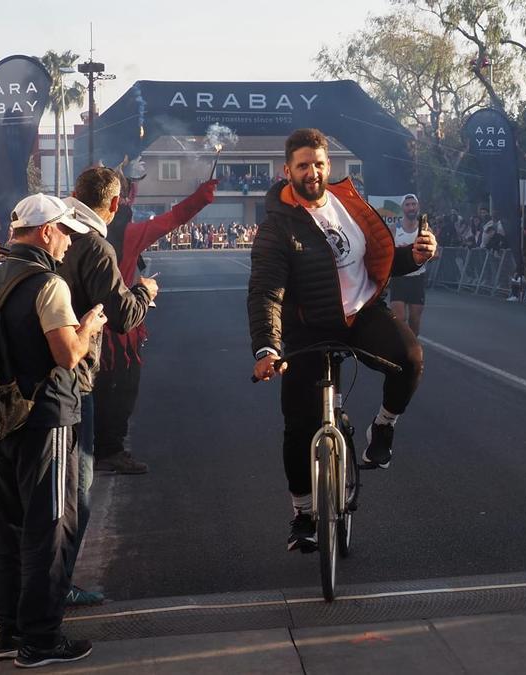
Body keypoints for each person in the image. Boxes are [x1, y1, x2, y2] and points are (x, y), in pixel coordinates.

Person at [248, 129, 437, 552]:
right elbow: (265, 292)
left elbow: (376, 258)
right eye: (302, 166)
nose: (311, 172)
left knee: (410, 357)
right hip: (308, 326)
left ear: (328, 165)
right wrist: (267, 348)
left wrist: (415, 257)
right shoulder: (278, 227)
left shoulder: (347, 202)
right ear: (287, 171)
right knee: (299, 424)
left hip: (362, 313)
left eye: (318, 163)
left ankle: (383, 428)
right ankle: (303, 513)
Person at [0, 194, 106, 667]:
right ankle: (41, 640)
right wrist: (91, 325)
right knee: (51, 528)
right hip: (46, 417)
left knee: (11, 526)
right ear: (45, 231)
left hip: (1, 415)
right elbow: (66, 353)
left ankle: (11, 632)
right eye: (65, 233)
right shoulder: (47, 284)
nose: (68, 243)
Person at [57, 166, 159, 607]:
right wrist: (144, 293)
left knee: (29, 496)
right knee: (74, 494)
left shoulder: (48, 238)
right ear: (114, 205)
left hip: (30, 376)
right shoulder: (95, 245)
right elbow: (121, 315)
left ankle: (7, 594)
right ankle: (52, 593)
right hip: (69, 379)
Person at [92, 169, 216, 474]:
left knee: (91, 393)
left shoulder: (74, 229)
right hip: (116, 329)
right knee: (119, 391)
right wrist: (200, 197)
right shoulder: (128, 234)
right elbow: (172, 219)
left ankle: (92, 447)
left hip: (81, 323)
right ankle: (110, 450)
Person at [390, 194, 429, 336]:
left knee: (414, 319)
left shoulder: (425, 230)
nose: (411, 207)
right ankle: (401, 348)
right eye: (407, 205)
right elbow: (387, 253)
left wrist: (423, 253)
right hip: (399, 278)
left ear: (418, 207)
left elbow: (436, 253)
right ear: (403, 208)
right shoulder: (394, 229)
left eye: (413, 204)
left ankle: (413, 349)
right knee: (399, 319)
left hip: (417, 279)